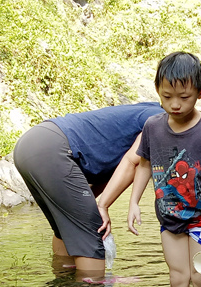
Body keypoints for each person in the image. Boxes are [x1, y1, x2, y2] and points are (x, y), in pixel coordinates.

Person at [127, 52, 201, 287]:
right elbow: (144, 164)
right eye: (167, 96)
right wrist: (133, 202)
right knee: (177, 276)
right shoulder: (152, 126)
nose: (175, 104)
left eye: (184, 97)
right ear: (157, 91)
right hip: (170, 218)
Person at [13, 102, 164, 275]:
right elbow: (132, 162)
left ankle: (64, 285)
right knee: (93, 233)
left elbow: (111, 173)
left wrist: (89, 207)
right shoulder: (159, 120)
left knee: (66, 228)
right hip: (53, 149)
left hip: (31, 144)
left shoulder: (143, 112)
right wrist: (102, 206)